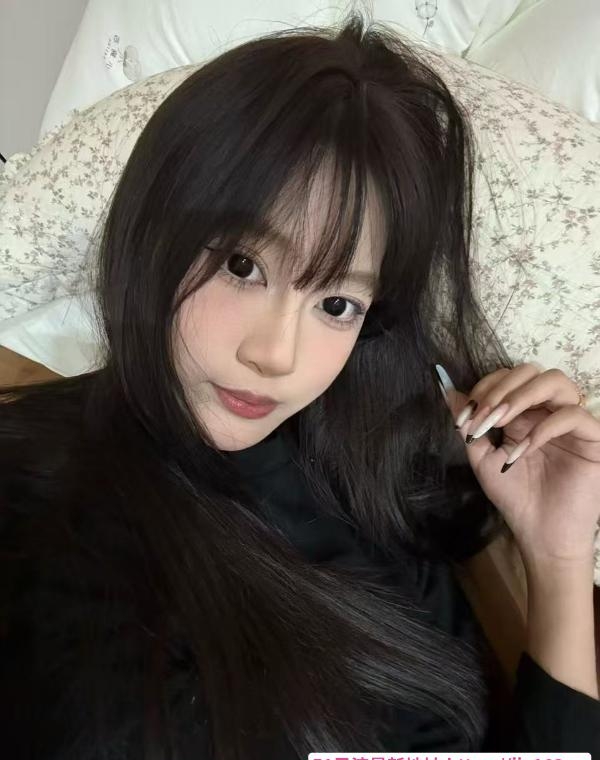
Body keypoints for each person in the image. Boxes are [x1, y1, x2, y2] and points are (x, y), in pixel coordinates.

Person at [0, 12, 598, 759]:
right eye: (242, 266)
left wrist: (558, 560)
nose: (276, 355)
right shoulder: (35, 506)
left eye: (336, 304)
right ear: (152, 230)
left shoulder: (374, 476)